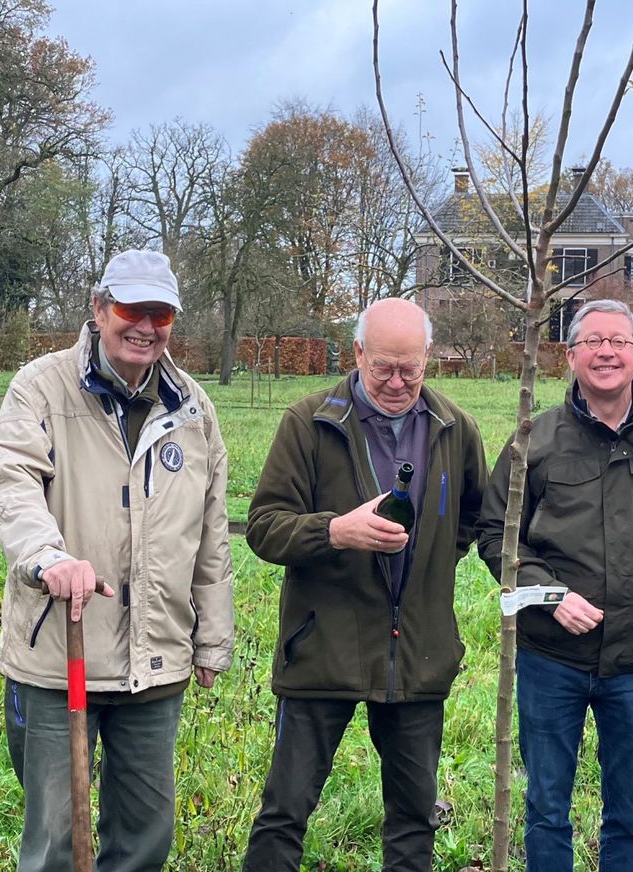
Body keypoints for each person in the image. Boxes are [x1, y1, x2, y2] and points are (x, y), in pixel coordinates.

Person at [0, 249, 234, 872]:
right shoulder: (41, 387)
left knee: (146, 837)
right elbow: (11, 480)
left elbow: (210, 535)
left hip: (156, 659)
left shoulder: (193, 408)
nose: (145, 326)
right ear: (98, 310)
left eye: (161, 313)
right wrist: (47, 555)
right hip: (60, 655)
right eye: (130, 309)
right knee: (56, 842)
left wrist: (212, 641)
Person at [243, 298, 487, 872]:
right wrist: (337, 531)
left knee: (413, 819)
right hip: (322, 648)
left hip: (418, 653)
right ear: (357, 353)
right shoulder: (309, 423)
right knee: (285, 810)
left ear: (428, 357)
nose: (398, 382)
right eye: (383, 368)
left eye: (411, 368)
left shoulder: (455, 429)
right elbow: (263, 527)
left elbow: (471, 520)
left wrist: (426, 566)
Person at [475, 300, 633, 871]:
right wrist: (550, 595)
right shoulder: (533, 441)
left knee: (630, 815)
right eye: (592, 341)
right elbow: (496, 534)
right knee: (546, 806)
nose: (606, 352)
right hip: (549, 657)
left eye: (619, 341)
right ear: (572, 355)